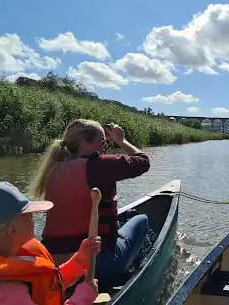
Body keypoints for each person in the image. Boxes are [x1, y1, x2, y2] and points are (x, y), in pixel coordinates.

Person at [29, 119, 151, 286]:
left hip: (56, 261)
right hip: (95, 264)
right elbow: (143, 162)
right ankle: (130, 273)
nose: (105, 147)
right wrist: (121, 141)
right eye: (102, 142)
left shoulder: (53, 168)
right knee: (142, 220)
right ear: (84, 143)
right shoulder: (98, 165)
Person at [0, 181, 101, 305]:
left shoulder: (7, 264)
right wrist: (82, 298)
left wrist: (79, 261)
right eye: (29, 215)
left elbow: (48, 285)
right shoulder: (8, 292)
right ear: (12, 229)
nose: (34, 219)